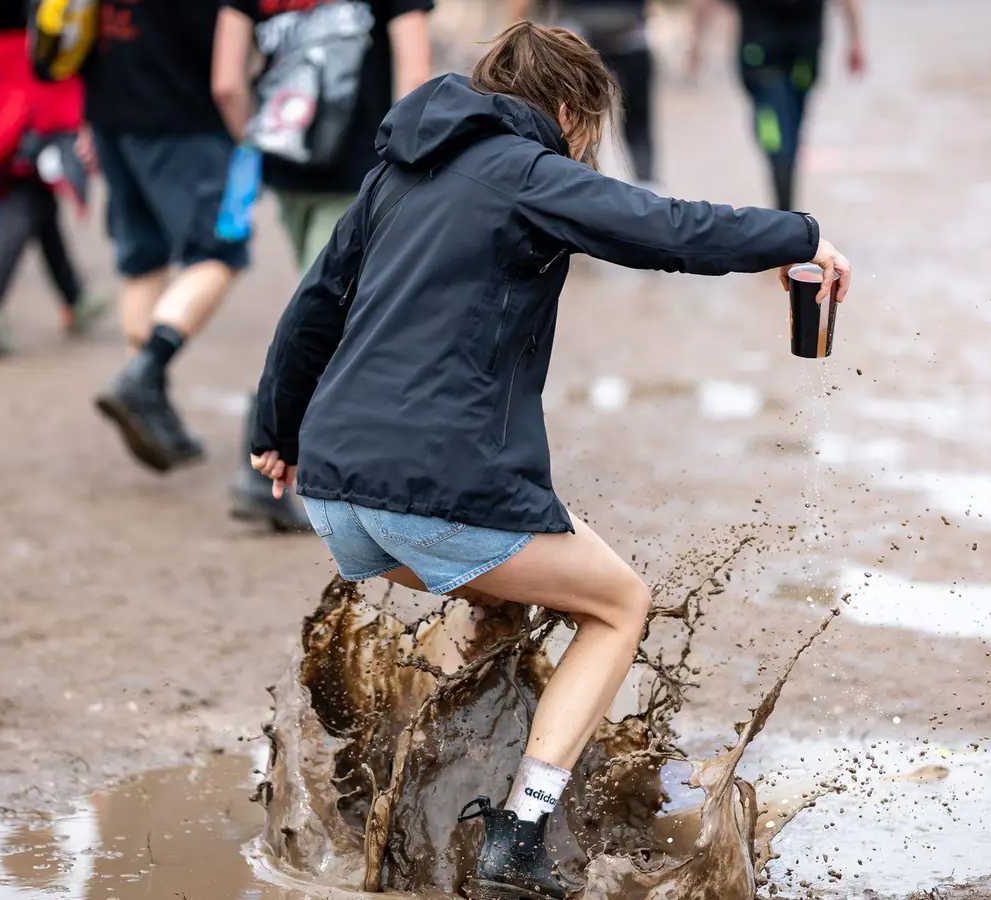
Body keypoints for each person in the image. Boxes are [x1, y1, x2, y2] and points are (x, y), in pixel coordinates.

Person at [246, 23, 852, 899]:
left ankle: (432, 781)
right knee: (619, 605)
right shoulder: (525, 171)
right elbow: (663, 228)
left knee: (505, 599)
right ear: (568, 109)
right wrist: (797, 234)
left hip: (337, 489)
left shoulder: (394, 173)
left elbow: (313, 306)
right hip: (434, 481)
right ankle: (520, 831)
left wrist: (278, 433)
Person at [213, 0, 434, 529]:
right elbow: (417, 73)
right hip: (362, 171)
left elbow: (227, 81)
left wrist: (256, 145)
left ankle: (301, 461)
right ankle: (267, 457)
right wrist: (410, 167)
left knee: (329, 309)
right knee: (334, 318)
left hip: (289, 168)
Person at [21, 0, 250, 471]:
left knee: (143, 261)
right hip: (185, 118)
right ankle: (144, 374)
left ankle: (149, 410)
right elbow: (225, 46)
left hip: (110, 116)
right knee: (220, 254)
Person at [0, 0, 105, 358]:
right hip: (22, 62)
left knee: (37, 185)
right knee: (26, 183)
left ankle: (74, 298)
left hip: (31, 59)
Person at [688, 0, 864, 212]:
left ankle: (785, 210)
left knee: (777, 134)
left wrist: (696, 43)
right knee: (789, 129)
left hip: (762, 55)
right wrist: (855, 40)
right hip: (800, 54)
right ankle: (787, 208)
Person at [509, 0, 656, 189]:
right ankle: (649, 190)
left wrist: (515, 33)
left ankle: (574, 186)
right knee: (637, 127)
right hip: (628, 28)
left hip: (577, 31)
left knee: (573, 122)